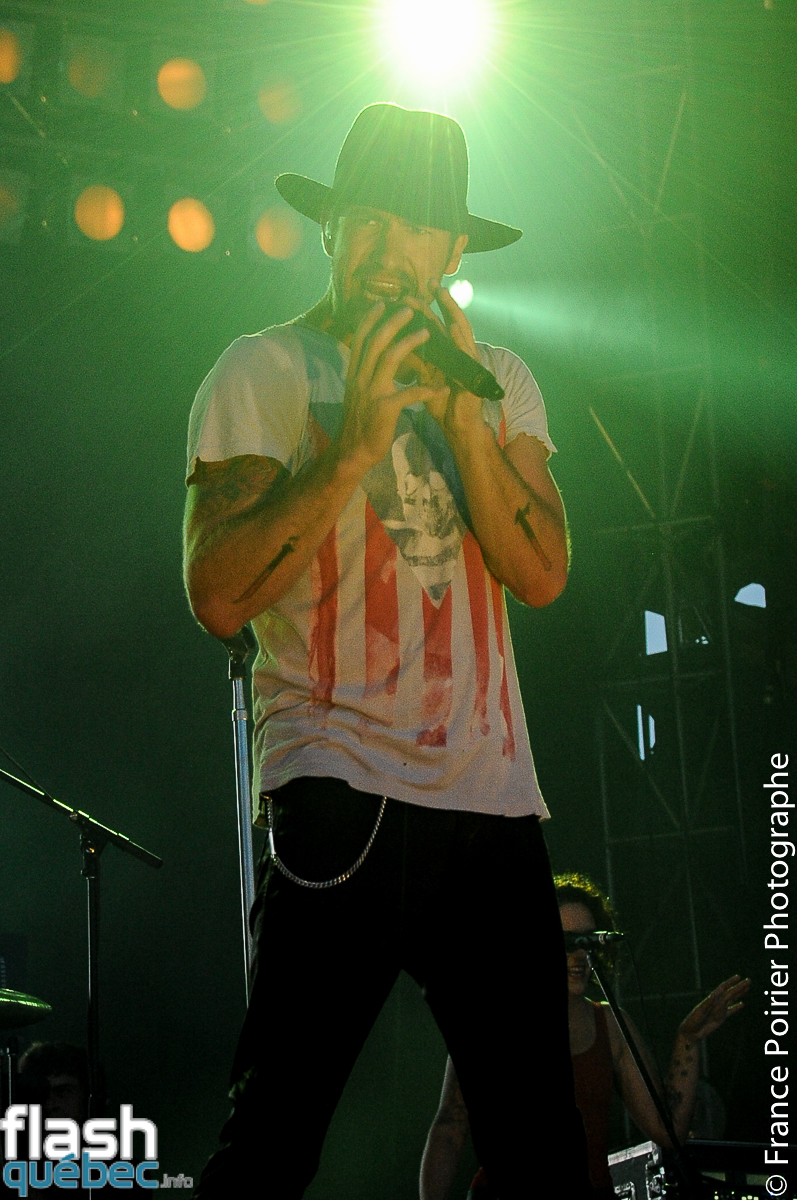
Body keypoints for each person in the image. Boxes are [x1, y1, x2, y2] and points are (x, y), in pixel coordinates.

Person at [184, 102, 590, 1197]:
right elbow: (216, 595)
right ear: (328, 229)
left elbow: (543, 573)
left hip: (489, 799)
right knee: (273, 1136)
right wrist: (355, 440)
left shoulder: (498, 379)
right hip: (335, 785)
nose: (382, 245)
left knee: (541, 1149)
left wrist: (460, 420)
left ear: (450, 249)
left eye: (411, 225)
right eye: (363, 217)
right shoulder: (263, 368)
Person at [419, 873, 750, 1200]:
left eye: (588, 941)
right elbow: (450, 1127)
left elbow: (669, 1131)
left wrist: (688, 1039)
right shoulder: (489, 1021)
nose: (580, 956)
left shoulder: (610, 1024)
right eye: (568, 942)